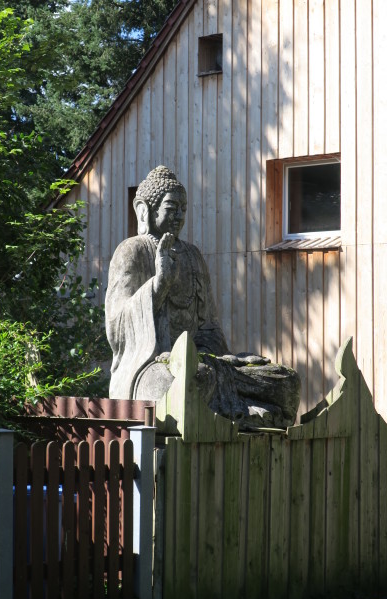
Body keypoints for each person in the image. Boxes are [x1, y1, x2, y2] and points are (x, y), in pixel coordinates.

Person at [105, 166, 300, 428]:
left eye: (183, 209)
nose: (179, 216)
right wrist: (160, 283)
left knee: (285, 381)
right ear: (145, 210)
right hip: (149, 366)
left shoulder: (193, 256)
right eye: (171, 207)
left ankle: (236, 411)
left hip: (202, 363)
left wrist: (214, 356)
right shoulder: (132, 251)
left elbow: (210, 327)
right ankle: (241, 412)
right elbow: (116, 328)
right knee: (187, 381)